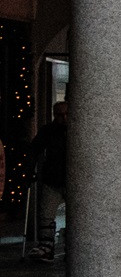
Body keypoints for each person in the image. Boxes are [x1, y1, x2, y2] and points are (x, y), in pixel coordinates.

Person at [27, 101, 68, 261]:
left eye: (65, 114)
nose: (63, 118)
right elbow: (34, 149)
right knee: (46, 214)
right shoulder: (48, 131)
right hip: (53, 177)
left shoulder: (76, 129)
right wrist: (30, 170)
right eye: (59, 115)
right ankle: (46, 245)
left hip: (70, 179)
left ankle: (70, 245)